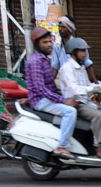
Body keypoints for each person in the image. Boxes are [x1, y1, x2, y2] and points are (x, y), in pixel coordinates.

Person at [57, 38, 101, 161]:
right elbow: (74, 89)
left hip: (87, 102)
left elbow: (88, 85)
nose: (85, 53)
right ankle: (99, 148)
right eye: (82, 50)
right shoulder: (67, 68)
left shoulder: (81, 67)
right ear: (73, 52)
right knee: (98, 116)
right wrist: (92, 90)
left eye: (86, 51)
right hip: (76, 103)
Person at [24, 27, 77, 160]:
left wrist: (63, 97)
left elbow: (50, 85)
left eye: (50, 41)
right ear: (37, 44)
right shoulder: (36, 61)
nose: (49, 44)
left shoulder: (45, 59)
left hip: (45, 98)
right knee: (70, 112)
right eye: (45, 42)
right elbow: (41, 89)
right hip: (41, 101)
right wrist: (63, 100)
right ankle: (62, 146)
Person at [51, 15, 95, 82]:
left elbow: (88, 64)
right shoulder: (56, 46)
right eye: (59, 26)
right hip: (65, 81)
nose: (60, 29)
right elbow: (55, 67)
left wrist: (96, 82)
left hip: (79, 81)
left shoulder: (80, 44)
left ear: (70, 29)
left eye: (63, 27)